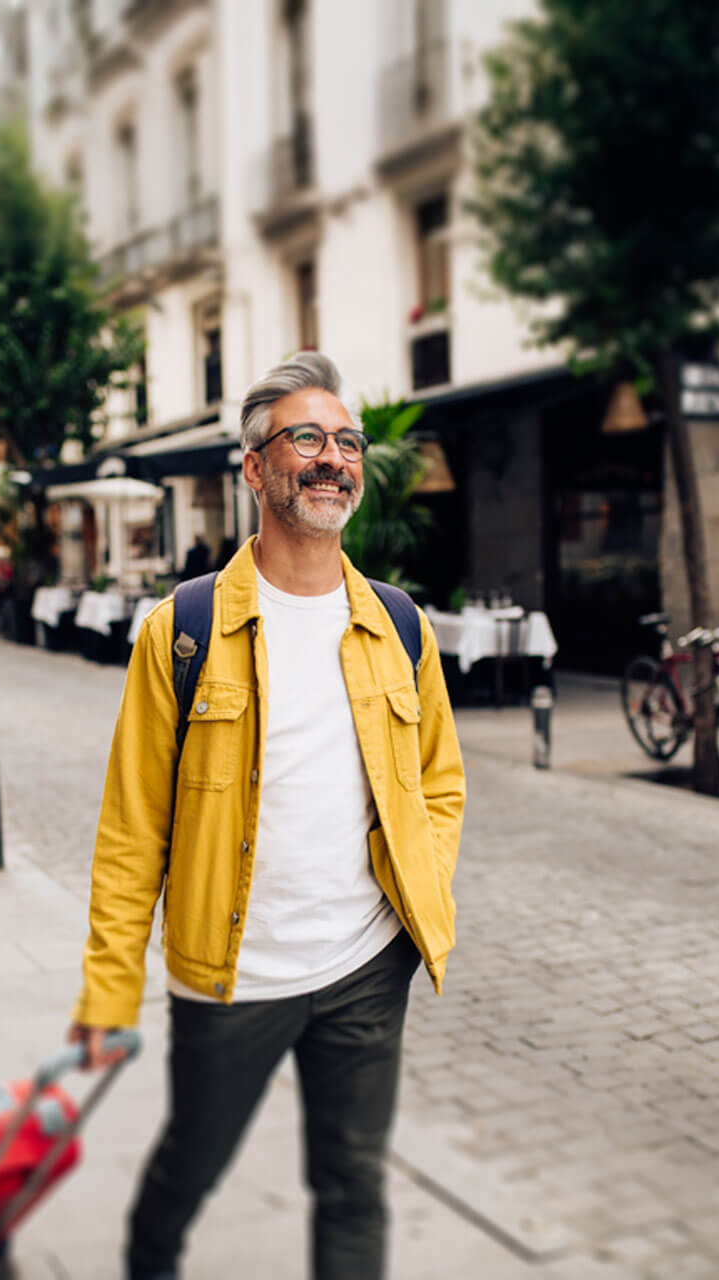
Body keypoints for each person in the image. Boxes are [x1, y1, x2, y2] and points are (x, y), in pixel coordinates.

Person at [68, 352, 465, 1280]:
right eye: (308, 438)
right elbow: (132, 833)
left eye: (347, 442)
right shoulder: (184, 628)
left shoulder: (400, 625)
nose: (334, 459)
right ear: (254, 467)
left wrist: (417, 887)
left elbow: (440, 784)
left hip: (366, 967)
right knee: (189, 1168)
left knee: (354, 1184)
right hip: (231, 977)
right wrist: (108, 992)